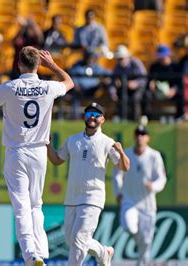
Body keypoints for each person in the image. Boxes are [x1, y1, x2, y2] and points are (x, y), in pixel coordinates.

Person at [0, 46, 74, 265]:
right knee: (36, 204)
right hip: (39, 152)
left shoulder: (10, 87)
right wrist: (54, 65)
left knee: (21, 206)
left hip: (17, 152)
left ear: (19, 64)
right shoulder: (48, 87)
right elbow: (69, 82)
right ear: (38, 65)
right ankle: (42, 251)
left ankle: (30, 255)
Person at [46, 102, 130, 266]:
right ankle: (102, 251)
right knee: (72, 240)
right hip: (72, 197)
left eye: (96, 115)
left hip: (93, 197)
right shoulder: (73, 140)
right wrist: (48, 145)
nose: (92, 117)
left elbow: (125, 166)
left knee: (79, 239)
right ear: (84, 117)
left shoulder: (107, 142)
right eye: (89, 114)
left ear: (103, 120)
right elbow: (57, 160)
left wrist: (120, 151)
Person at [112, 125, 166, 266]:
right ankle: (139, 245)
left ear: (148, 138)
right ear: (134, 136)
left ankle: (142, 264)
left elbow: (161, 178)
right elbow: (117, 174)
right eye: (138, 134)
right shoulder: (127, 154)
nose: (140, 137)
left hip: (148, 204)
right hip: (129, 200)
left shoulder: (154, 156)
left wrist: (153, 185)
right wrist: (118, 192)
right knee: (129, 226)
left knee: (146, 242)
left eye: (143, 134)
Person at [110, 45, 147, 121]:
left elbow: (144, 78)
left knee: (135, 98)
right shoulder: (117, 67)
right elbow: (113, 82)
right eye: (118, 59)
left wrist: (136, 83)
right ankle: (122, 119)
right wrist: (113, 93)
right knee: (121, 98)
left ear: (127, 57)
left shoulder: (136, 63)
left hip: (138, 87)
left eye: (121, 58)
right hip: (125, 88)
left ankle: (135, 119)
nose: (120, 61)